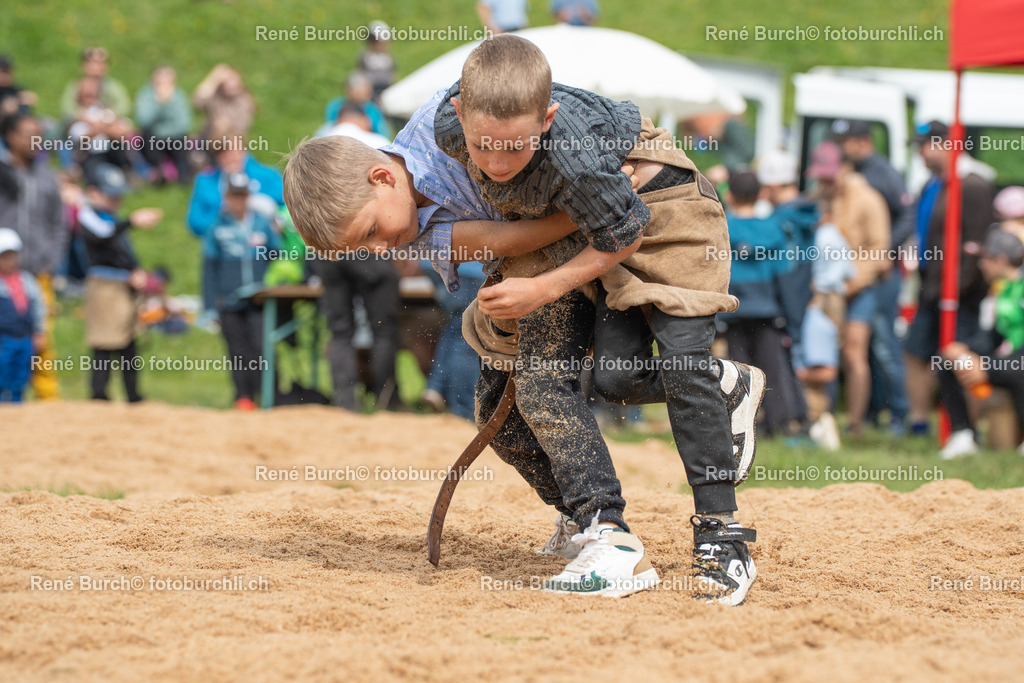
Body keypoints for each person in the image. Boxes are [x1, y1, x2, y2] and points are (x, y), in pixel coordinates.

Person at [285, 36, 763, 603]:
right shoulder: (425, 219)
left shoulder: (462, 123)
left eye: (371, 232)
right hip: (570, 233)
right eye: (362, 250)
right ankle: (581, 517)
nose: (383, 249)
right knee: (500, 406)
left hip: (629, 205)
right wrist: (583, 214)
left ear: (382, 178)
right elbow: (504, 237)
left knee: (549, 382)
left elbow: (539, 104)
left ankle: (616, 533)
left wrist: (607, 174)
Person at [902, 121, 996, 453]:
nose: (920, 154)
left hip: (959, 295)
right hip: (933, 288)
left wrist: (958, 291)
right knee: (920, 353)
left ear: (944, 144)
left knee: (958, 359)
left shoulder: (971, 185)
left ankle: (970, 429)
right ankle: (926, 423)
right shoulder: (934, 184)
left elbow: (975, 244)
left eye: (924, 145)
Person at [806, 140, 891, 437]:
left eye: (830, 176)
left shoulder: (869, 200)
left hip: (859, 289)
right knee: (822, 352)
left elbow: (880, 249)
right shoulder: (816, 199)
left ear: (845, 168)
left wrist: (852, 283)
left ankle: (855, 423)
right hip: (824, 291)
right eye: (821, 176)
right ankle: (821, 418)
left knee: (854, 353)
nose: (825, 182)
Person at [833, 119, 913, 434]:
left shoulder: (883, 173)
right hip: (864, 273)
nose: (842, 146)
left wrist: (886, 252)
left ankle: (900, 414)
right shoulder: (858, 172)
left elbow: (907, 214)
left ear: (862, 140)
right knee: (865, 348)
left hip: (880, 275)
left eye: (846, 140)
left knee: (884, 345)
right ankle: (872, 412)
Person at [720, 170, 801, 437]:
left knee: (739, 370)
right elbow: (783, 273)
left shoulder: (722, 227)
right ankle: (779, 422)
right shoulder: (774, 228)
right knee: (773, 368)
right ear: (761, 194)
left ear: (730, 194)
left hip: (735, 309)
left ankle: (741, 425)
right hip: (768, 309)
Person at [77, 164, 162, 402]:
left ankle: (133, 395)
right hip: (104, 287)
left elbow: (120, 249)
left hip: (123, 286)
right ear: (93, 193)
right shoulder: (88, 216)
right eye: (110, 195)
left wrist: (137, 272)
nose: (116, 201)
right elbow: (103, 234)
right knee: (104, 342)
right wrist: (132, 221)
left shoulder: (110, 219)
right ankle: (99, 395)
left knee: (128, 342)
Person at [0, 113, 67, 400]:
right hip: (2, 272)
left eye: (39, 135)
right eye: (28, 134)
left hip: (38, 271)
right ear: (11, 137)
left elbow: (58, 223)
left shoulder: (46, 176)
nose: (35, 141)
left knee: (42, 339)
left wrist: (50, 259)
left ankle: (47, 398)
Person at [940, 228, 1024, 455]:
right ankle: (963, 435)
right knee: (947, 361)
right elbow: (992, 335)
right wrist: (966, 351)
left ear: (1001, 259)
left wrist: (985, 366)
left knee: (1017, 370)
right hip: (1011, 358)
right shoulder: (1000, 290)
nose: (981, 265)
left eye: (986, 258)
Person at [202, 172, 279, 410]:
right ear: (226, 197)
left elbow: (277, 256)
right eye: (234, 196)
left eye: (243, 195)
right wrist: (210, 307)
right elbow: (209, 269)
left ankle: (270, 396)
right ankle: (243, 396)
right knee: (237, 351)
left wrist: (273, 285)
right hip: (229, 301)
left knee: (262, 347)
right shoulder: (216, 228)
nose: (238, 200)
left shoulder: (262, 223)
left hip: (259, 299)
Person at [792, 202, 856, 450]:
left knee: (816, 363)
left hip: (822, 297)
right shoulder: (837, 236)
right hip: (834, 299)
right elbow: (849, 274)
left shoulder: (822, 237)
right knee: (826, 355)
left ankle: (818, 421)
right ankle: (823, 418)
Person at [187, 132, 283, 238]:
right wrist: (222, 214)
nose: (229, 157)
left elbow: (291, 207)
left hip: (266, 245)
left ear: (243, 150)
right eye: (223, 153)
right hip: (224, 247)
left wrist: (279, 221)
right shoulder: (206, 182)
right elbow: (195, 223)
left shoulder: (268, 176)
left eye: (233, 151)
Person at [0, 228, 46, 402]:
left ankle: (18, 403)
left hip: (24, 337)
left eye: (12, 256)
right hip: (3, 339)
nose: (9, 261)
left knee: (22, 374)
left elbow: (38, 306)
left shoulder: (27, 280)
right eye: (4, 257)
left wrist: (40, 330)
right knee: (2, 372)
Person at [135, 66, 193, 185]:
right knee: (147, 136)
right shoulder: (146, 95)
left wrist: (163, 129)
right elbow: (144, 120)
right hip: (153, 139)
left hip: (175, 138)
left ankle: (183, 175)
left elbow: (184, 124)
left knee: (182, 140)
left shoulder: (179, 96)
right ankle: (158, 171)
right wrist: (160, 103)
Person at [60, 47, 131, 122]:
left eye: (100, 63)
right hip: (83, 121)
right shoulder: (76, 85)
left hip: (108, 121)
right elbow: (67, 107)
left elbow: (124, 106)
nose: (96, 66)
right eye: (92, 62)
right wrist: (81, 115)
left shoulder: (113, 86)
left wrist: (109, 115)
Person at [192, 65, 256, 138]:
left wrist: (225, 127)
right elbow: (197, 101)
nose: (230, 85)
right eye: (226, 81)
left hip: (231, 141)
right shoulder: (216, 96)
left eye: (232, 80)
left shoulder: (244, 101)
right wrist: (213, 79)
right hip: (208, 138)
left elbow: (242, 127)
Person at [324, 72, 392, 139]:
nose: (359, 95)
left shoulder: (372, 109)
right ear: (347, 90)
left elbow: (382, 133)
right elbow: (330, 126)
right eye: (357, 91)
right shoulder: (336, 106)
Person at [357, 22, 396, 102]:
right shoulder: (366, 57)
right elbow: (362, 77)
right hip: (370, 95)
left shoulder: (388, 58)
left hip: (386, 93)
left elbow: (393, 76)